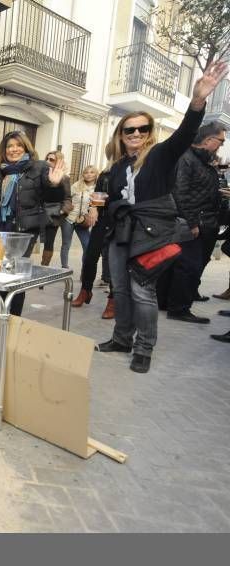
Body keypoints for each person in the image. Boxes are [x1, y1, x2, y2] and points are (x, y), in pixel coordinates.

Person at [94, 61, 227, 374]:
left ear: (149, 133)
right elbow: (113, 200)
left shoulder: (159, 155)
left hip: (151, 233)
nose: (136, 133)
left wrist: (197, 103)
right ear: (121, 134)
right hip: (120, 234)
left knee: (143, 291)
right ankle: (122, 339)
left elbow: (184, 134)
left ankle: (144, 347)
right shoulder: (116, 167)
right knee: (121, 290)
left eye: (143, 128)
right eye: (130, 129)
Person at [0, 131, 67, 315]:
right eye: (10, 146)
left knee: (15, 275)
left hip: (24, 231)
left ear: (26, 147)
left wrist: (55, 184)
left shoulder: (39, 168)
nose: (14, 149)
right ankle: (2, 314)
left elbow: (52, 198)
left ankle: (13, 317)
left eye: (18, 145)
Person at [157, 122, 227, 324]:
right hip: (195, 223)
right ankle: (178, 308)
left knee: (184, 265)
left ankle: (168, 302)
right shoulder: (186, 159)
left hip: (205, 222)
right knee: (188, 266)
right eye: (220, 141)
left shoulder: (202, 161)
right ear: (208, 139)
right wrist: (192, 223)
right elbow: (180, 193)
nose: (221, 146)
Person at [71, 156, 115, 319]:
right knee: (90, 257)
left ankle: (113, 299)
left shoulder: (132, 169)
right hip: (102, 220)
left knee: (112, 261)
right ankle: (85, 291)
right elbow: (98, 193)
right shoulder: (106, 172)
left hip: (121, 220)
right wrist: (94, 209)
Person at [60, 165, 98, 269]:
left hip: (83, 220)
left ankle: (84, 270)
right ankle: (64, 268)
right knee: (66, 244)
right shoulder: (76, 186)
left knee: (87, 246)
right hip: (69, 218)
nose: (89, 174)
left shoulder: (98, 188)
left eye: (91, 172)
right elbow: (66, 199)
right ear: (83, 175)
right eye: (86, 172)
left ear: (96, 174)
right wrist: (65, 209)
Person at [40, 150, 72, 267]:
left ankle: (44, 268)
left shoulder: (64, 178)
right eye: (47, 159)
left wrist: (62, 211)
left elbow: (68, 198)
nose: (48, 162)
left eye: (52, 160)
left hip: (53, 216)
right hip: (38, 213)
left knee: (49, 243)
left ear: (58, 162)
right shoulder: (41, 175)